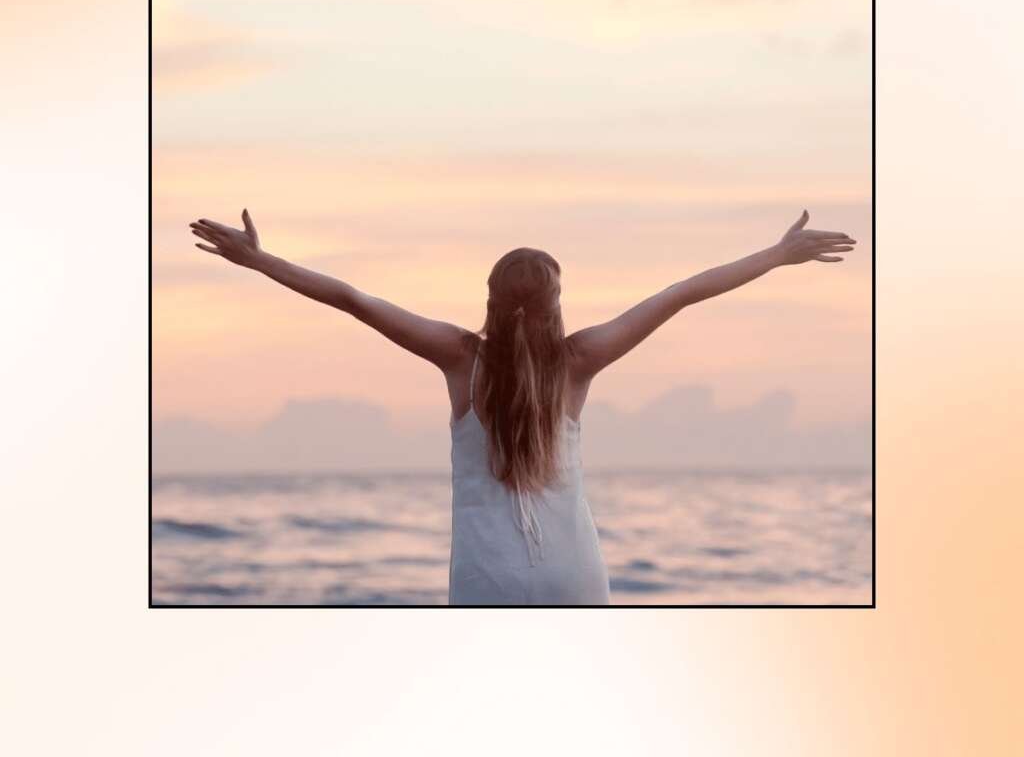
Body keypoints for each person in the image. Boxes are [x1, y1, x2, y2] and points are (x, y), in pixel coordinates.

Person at [189, 208, 856, 605]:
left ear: (490, 295)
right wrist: (777, 255)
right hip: (573, 573)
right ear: (556, 301)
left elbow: (354, 299)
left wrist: (260, 261)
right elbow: (682, 292)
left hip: (486, 580)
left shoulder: (458, 357)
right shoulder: (582, 358)